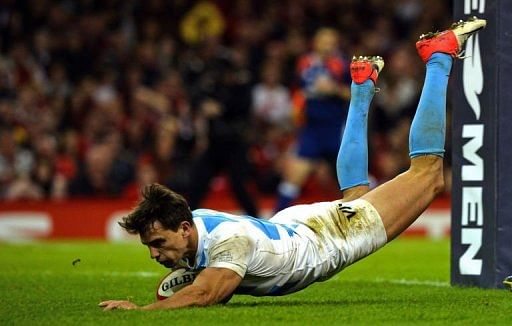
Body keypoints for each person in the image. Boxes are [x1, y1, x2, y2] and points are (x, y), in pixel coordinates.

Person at [99, 17, 486, 310]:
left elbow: (207, 293)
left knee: (429, 176)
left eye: (158, 243)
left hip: (325, 235)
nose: (154, 254)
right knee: (357, 195)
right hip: (294, 231)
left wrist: (145, 311)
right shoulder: (196, 220)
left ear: (184, 228)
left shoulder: (227, 243)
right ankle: (362, 87)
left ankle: (438, 56)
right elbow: (202, 268)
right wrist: (186, 260)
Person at [274, 27, 351, 212]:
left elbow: (355, 94)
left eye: (331, 42)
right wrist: (296, 110)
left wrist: (334, 89)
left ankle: (375, 210)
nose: (327, 46)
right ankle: (273, 222)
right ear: (315, 43)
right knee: (294, 177)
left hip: (335, 129)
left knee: (351, 177)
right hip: (312, 130)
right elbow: (298, 92)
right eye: (324, 42)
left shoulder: (343, 66)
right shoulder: (304, 64)